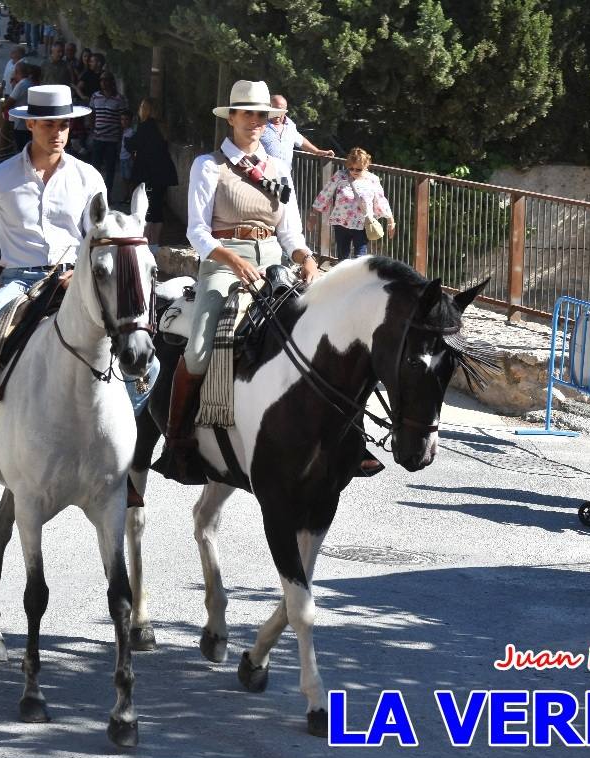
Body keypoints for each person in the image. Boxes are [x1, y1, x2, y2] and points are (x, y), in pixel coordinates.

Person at [0, 84, 106, 500]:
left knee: (141, 356)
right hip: (18, 282)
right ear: (29, 124)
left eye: (64, 124)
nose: (58, 132)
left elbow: (98, 238)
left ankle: (128, 458)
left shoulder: (88, 177)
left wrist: (81, 273)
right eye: (49, 124)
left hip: (75, 281)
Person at [154, 80, 319, 483]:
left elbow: (291, 234)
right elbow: (196, 231)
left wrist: (307, 259)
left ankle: (338, 436)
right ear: (231, 117)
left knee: (321, 332)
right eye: (247, 113)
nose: (255, 121)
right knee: (198, 349)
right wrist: (231, 259)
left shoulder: (278, 169)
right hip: (223, 263)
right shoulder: (208, 165)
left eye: (262, 115)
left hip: (275, 264)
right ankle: (177, 440)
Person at [312, 147, 396, 260]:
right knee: (343, 258)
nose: (354, 171)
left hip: (362, 225)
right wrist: (313, 214)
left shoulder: (373, 180)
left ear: (366, 166)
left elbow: (381, 200)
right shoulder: (340, 176)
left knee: (360, 258)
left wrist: (391, 221)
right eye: (351, 168)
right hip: (341, 223)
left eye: (358, 169)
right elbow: (325, 194)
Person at [125, 97, 179, 245]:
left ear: (146, 110)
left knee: (146, 208)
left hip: (148, 173)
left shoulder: (145, 126)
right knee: (157, 208)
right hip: (163, 172)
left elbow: (133, 145)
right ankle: (154, 243)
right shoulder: (162, 126)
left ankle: (146, 242)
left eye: (141, 107)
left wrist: (127, 139)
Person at [259, 94, 334, 167]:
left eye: (280, 110)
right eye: (274, 109)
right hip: (263, 173)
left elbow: (300, 141)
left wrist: (317, 151)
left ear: (285, 110)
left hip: (285, 173)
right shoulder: (260, 124)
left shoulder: (290, 125)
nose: (277, 113)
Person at [89, 73, 128, 197]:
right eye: (102, 80)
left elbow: (122, 119)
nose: (104, 82)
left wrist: (121, 136)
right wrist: (92, 129)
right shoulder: (95, 96)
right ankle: (93, 194)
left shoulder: (119, 99)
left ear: (112, 82)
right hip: (98, 138)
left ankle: (107, 194)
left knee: (110, 169)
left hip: (112, 139)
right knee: (95, 168)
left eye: (106, 80)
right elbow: (92, 114)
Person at [2, 61, 38, 152]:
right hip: (26, 121)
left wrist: (2, 105)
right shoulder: (28, 83)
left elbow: (9, 102)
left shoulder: (22, 84)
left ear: (17, 72)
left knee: (21, 148)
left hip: (20, 124)